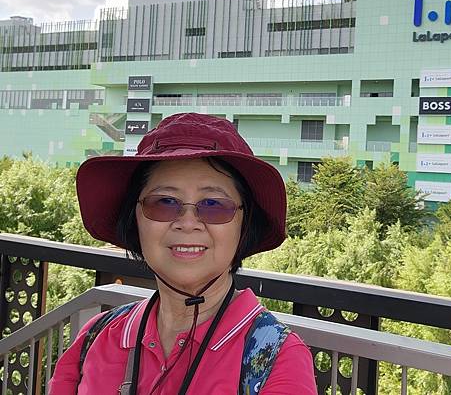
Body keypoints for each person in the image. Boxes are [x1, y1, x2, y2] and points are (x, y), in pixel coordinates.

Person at [49, 113, 318, 394]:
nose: (188, 223)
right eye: (164, 202)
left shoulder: (275, 358)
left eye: (213, 204)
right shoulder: (96, 337)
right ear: (135, 219)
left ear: (244, 224)